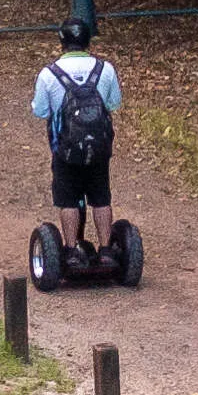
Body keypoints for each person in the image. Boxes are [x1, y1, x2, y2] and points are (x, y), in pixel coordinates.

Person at [30, 19, 124, 258]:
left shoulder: (49, 74)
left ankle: (71, 250)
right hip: (98, 148)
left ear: (62, 42)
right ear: (87, 40)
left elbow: (40, 111)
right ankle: (106, 249)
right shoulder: (106, 69)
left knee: (68, 199)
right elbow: (114, 104)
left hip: (66, 150)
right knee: (101, 197)